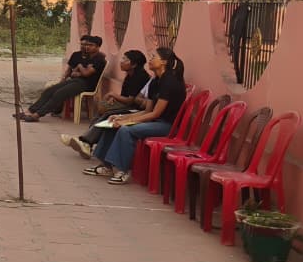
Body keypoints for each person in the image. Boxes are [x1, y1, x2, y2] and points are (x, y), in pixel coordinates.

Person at [83, 47, 188, 185]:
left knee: (126, 130)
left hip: (167, 125)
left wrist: (127, 122)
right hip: (154, 120)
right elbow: (147, 111)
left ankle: (122, 170)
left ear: (164, 62)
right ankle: (106, 166)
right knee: (112, 123)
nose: (150, 60)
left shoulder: (169, 82)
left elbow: (155, 114)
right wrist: (122, 118)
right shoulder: (155, 81)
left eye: (153, 57)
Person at [60, 50, 149, 158]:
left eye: (125, 59)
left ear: (134, 64)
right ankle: (86, 141)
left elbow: (130, 101)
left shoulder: (140, 77)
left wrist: (112, 95)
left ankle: (85, 141)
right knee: (100, 111)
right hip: (128, 105)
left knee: (108, 114)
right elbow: (124, 96)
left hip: (135, 110)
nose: (121, 61)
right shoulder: (130, 75)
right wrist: (114, 99)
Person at [18, 35, 107, 122]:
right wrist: (80, 71)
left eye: (91, 45)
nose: (87, 47)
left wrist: (80, 67)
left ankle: (37, 115)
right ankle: (30, 111)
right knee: (49, 90)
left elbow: (86, 73)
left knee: (59, 94)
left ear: (98, 47)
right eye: (87, 45)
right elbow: (74, 72)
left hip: (86, 85)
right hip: (77, 81)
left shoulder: (99, 59)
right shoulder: (88, 57)